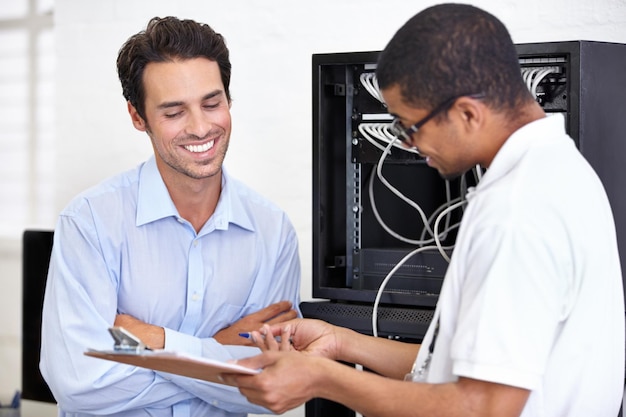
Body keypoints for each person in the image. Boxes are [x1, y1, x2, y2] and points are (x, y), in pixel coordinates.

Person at [225, 4, 625, 416]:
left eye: (408, 127)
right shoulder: (562, 170)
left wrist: (322, 379)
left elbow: (483, 409)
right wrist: (340, 341)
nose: (405, 144)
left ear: (468, 113)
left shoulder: (516, 212)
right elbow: (460, 374)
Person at [40, 16, 302, 417]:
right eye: (174, 111)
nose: (200, 127)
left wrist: (152, 341)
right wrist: (219, 350)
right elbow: (81, 384)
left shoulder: (272, 231)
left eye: (212, 103)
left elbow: (275, 386)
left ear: (229, 101)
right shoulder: (89, 222)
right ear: (137, 116)